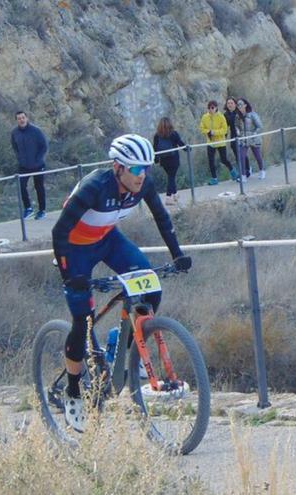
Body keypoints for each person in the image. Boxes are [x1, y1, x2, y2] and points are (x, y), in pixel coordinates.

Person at [51, 134, 192, 432]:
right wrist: (71, 277)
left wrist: (178, 254)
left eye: (147, 169)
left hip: (106, 239)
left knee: (150, 289)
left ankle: (121, 345)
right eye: (137, 170)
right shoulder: (94, 187)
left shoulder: (144, 185)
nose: (144, 175)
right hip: (75, 248)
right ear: (118, 168)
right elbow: (59, 231)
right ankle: (74, 392)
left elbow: (162, 219)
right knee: (82, 323)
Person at [10, 111, 49, 220]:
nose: (21, 120)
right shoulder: (14, 133)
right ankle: (28, 208)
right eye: (19, 118)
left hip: (38, 165)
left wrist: (38, 159)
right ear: (16, 120)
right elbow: (14, 147)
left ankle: (42, 211)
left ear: (26, 118)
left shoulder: (36, 131)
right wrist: (20, 159)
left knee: (39, 187)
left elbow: (44, 146)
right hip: (23, 166)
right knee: (21, 186)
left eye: (23, 117)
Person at [198, 100, 239, 185]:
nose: (210, 109)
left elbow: (224, 130)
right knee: (211, 161)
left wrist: (214, 132)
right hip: (210, 142)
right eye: (209, 108)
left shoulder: (221, 117)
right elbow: (202, 128)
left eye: (212, 107)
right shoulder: (205, 117)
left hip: (221, 142)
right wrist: (208, 131)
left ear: (216, 108)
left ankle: (234, 173)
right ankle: (214, 178)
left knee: (224, 159)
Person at [152, 117, 186, 206]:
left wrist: (156, 159)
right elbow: (180, 143)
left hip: (164, 160)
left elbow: (155, 148)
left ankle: (175, 194)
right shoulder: (173, 134)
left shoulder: (157, 135)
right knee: (171, 177)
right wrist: (187, 148)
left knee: (171, 176)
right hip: (173, 159)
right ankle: (168, 197)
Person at [235, 98, 266, 180]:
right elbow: (237, 126)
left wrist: (254, 133)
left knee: (257, 155)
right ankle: (243, 175)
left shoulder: (252, 114)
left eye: (241, 104)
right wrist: (237, 130)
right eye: (238, 105)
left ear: (245, 105)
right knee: (241, 156)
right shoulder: (238, 116)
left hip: (253, 138)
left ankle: (262, 170)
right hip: (243, 138)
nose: (239, 106)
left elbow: (259, 126)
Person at [223, 97, 241, 170]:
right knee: (235, 151)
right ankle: (241, 170)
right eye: (228, 103)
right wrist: (224, 137)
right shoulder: (226, 114)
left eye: (231, 103)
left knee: (241, 152)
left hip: (241, 134)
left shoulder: (239, 112)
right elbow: (225, 127)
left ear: (235, 104)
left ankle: (247, 168)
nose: (230, 105)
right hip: (233, 134)